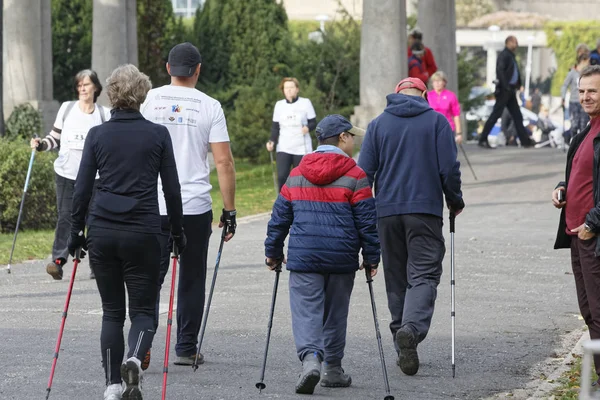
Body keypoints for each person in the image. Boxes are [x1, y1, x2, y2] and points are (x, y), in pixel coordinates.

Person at [69, 64, 185, 400]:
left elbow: (81, 189)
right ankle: (134, 357)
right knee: (144, 310)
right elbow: (172, 190)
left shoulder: (98, 135)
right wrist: (177, 232)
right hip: (144, 231)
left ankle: (111, 386)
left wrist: (76, 233)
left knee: (112, 312)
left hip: (103, 231)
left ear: (112, 94)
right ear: (143, 95)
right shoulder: (157, 134)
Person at [265, 114, 380, 395]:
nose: (353, 142)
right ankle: (333, 370)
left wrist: (273, 251)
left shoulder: (297, 173)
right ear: (341, 138)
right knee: (335, 314)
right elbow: (367, 220)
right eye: (351, 136)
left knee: (307, 312)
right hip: (341, 258)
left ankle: (310, 361)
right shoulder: (356, 175)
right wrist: (372, 256)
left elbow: (280, 217)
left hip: (305, 257)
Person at [358, 77, 464, 376]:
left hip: (386, 213)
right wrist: (454, 200)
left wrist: (366, 213)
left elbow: (364, 173)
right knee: (424, 274)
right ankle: (411, 330)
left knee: (395, 277)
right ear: (425, 94)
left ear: (396, 94)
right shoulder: (437, 122)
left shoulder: (378, 125)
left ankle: (400, 340)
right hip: (424, 211)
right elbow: (449, 169)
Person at [140, 42, 237, 368]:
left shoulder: (149, 99)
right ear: (198, 70)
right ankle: (185, 347)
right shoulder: (210, 105)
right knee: (192, 277)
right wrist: (230, 210)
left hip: (153, 203)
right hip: (193, 205)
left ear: (168, 68)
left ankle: (142, 345)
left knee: (150, 277)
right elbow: (223, 162)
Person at [31, 69, 110, 280]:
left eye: (86, 84)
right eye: (79, 85)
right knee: (66, 217)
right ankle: (58, 261)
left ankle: (98, 265)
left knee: (95, 220)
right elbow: (53, 138)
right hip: (66, 174)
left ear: (95, 87)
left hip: (94, 178)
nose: (82, 88)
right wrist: (40, 145)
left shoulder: (104, 115)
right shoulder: (67, 109)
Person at [553, 65, 600, 389]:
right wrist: (562, 189)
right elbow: (583, 177)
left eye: (592, 91)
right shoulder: (586, 130)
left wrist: (592, 223)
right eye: (582, 91)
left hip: (592, 234)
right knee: (588, 311)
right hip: (577, 234)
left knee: (598, 311)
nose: (585, 97)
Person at [478, 36, 533, 149]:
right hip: (504, 90)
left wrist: (517, 85)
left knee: (517, 116)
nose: (517, 45)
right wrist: (506, 86)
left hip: (510, 90)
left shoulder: (510, 55)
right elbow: (500, 71)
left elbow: (513, 72)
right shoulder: (504, 55)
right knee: (496, 114)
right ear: (508, 43)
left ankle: (525, 141)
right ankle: (483, 139)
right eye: (515, 42)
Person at [266, 77, 317, 192]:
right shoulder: (279, 105)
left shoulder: (305, 103)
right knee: (282, 176)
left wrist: (307, 128)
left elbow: (313, 122)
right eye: (286, 88)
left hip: (301, 147)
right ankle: (283, 204)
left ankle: (302, 203)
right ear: (283, 90)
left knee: (301, 178)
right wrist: (271, 141)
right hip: (284, 146)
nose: (288, 90)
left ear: (297, 89)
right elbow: (275, 127)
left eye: (291, 87)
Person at [427, 71, 462, 144]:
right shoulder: (428, 95)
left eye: (439, 81)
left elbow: (456, 115)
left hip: (447, 128)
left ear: (444, 82)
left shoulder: (451, 95)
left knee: (446, 152)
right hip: (431, 128)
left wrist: (459, 133)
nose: (437, 83)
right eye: (434, 81)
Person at [562, 53, 591, 136]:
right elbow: (565, 85)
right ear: (583, 61)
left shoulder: (587, 73)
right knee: (574, 125)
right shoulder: (572, 73)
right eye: (587, 62)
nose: (589, 64)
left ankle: (582, 146)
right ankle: (573, 142)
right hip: (574, 102)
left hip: (584, 102)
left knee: (583, 125)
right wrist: (563, 98)